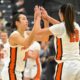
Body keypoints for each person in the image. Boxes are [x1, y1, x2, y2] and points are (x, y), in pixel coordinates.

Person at [35, 3, 80, 80]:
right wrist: (47, 18)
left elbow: (38, 32)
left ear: (61, 14)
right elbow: (62, 27)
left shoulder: (60, 28)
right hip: (77, 65)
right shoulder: (76, 26)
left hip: (65, 66)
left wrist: (37, 17)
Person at [9, 7, 41, 80]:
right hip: (11, 71)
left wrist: (39, 19)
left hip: (19, 72)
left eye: (26, 19)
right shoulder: (15, 35)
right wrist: (37, 20)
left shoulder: (26, 33)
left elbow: (43, 36)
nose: (26, 21)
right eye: (23, 19)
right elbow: (26, 43)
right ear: (17, 23)